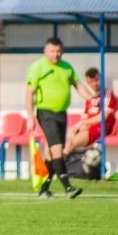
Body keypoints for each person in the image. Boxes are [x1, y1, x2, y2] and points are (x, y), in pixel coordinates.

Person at [25, 37, 92, 199]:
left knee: (52, 153)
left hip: (62, 113)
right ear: (45, 51)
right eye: (52, 51)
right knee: (57, 150)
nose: (56, 54)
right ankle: (68, 188)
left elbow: (78, 85)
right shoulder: (37, 67)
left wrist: (92, 99)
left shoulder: (66, 67)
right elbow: (29, 93)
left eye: (59, 51)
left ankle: (44, 189)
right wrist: (29, 116)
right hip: (45, 113)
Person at [64, 67, 118, 155]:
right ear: (87, 83)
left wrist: (83, 123)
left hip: (99, 128)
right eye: (91, 82)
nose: (95, 84)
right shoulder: (90, 98)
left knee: (69, 144)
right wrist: (81, 125)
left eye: (97, 80)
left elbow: (103, 117)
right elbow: (84, 116)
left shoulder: (108, 95)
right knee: (58, 137)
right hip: (87, 127)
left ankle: (61, 167)